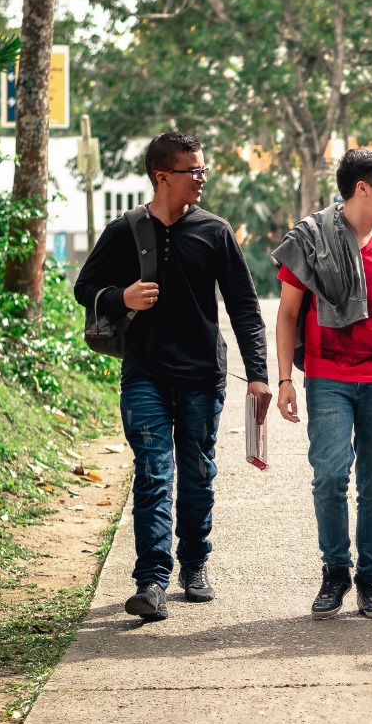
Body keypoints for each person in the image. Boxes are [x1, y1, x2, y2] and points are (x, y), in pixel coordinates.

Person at [74, 131, 271, 622]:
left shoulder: (215, 232)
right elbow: (85, 287)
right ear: (163, 176)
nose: (202, 178)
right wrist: (123, 297)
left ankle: (195, 564)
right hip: (145, 375)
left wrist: (259, 375)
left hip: (204, 376)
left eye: (203, 170)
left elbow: (245, 308)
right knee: (153, 476)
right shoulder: (125, 231)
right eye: (194, 171)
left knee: (199, 476)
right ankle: (152, 581)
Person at [274, 148, 372, 620]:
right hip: (327, 376)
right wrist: (284, 378)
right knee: (329, 476)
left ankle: (371, 577)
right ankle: (335, 571)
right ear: (362, 187)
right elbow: (286, 314)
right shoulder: (311, 239)